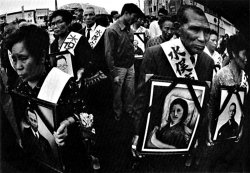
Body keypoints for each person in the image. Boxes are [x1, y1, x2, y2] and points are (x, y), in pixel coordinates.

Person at [131, 5, 214, 172]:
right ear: (178, 28)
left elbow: (203, 102)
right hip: (156, 137)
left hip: (186, 140)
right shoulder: (154, 54)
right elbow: (142, 98)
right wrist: (137, 134)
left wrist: (204, 131)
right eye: (195, 30)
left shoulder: (207, 62)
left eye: (206, 32)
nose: (202, 38)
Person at [6, 25, 94, 173]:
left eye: (23, 59)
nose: (17, 66)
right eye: (14, 59)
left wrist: (68, 123)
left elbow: (87, 116)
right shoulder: (19, 87)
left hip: (70, 160)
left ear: (41, 56)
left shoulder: (63, 82)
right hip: (38, 160)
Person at [205, 33, 248, 172]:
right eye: (245, 54)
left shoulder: (245, 77)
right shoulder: (221, 75)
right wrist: (209, 130)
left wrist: (241, 128)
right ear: (234, 54)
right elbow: (211, 104)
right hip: (220, 134)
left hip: (236, 133)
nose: (247, 59)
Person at [104, 3, 144, 121]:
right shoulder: (111, 30)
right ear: (126, 13)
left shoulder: (130, 30)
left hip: (130, 66)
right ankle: (118, 118)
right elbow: (108, 54)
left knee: (130, 93)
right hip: (118, 68)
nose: (135, 20)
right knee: (117, 96)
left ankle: (129, 115)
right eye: (134, 16)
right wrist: (114, 74)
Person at [50, 9, 92, 79]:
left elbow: (89, 61)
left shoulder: (80, 39)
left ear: (68, 23)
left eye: (59, 22)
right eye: (53, 24)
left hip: (78, 81)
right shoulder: (53, 45)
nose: (55, 26)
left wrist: (82, 70)